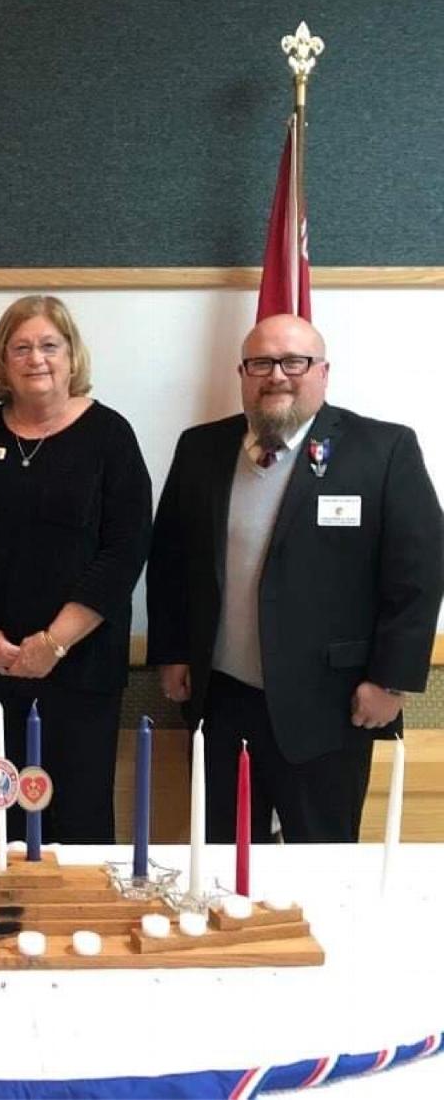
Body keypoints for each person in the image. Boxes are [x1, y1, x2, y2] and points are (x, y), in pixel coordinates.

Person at [147, 313, 444, 843]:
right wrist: (171, 651)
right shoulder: (200, 449)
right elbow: (170, 557)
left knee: (322, 862)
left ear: (323, 373)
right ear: (242, 373)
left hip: (333, 704)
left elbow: (418, 576)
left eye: (294, 362)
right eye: (261, 362)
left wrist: (390, 679)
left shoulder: (383, 450)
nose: (277, 375)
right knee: (223, 857)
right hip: (223, 700)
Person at [0, 295, 152, 844]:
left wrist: (52, 643)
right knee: (9, 815)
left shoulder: (110, 437)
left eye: (50, 346)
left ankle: (82, 928)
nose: (37, 359)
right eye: (21, 347)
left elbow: (125, 551)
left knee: (79, 819)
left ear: (72, 357)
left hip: (82, 667)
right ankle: (15, 924)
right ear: (2, 363)